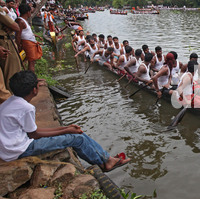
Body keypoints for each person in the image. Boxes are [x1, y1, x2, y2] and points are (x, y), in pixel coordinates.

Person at [0, 71, 130, 171]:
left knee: (76, 133)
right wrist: (66, 130)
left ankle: (107, 159)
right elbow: (33, 134)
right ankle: (105, 162)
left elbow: (33, 131)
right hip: (19, 150)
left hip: (10, 147)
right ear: (35, 90)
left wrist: (65, 128)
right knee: (77, 139)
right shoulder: (26, 108)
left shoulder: (9, 102)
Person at [0, 5, 22, 94]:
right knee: (12, 73)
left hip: (4, 43)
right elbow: (16, 27)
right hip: (5, 43)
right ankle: (12, 97)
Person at [15, 4, 43, 72]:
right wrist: (18, 46)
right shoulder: (21, 21)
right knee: (31, 61)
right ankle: (31, 78)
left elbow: (26, 32)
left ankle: (31, 76)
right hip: (27, 43)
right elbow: (18, 35)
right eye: (30, 12)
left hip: (30, 42)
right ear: (28, 12)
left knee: (31, 61)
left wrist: (36, 36)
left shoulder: (24, 20)